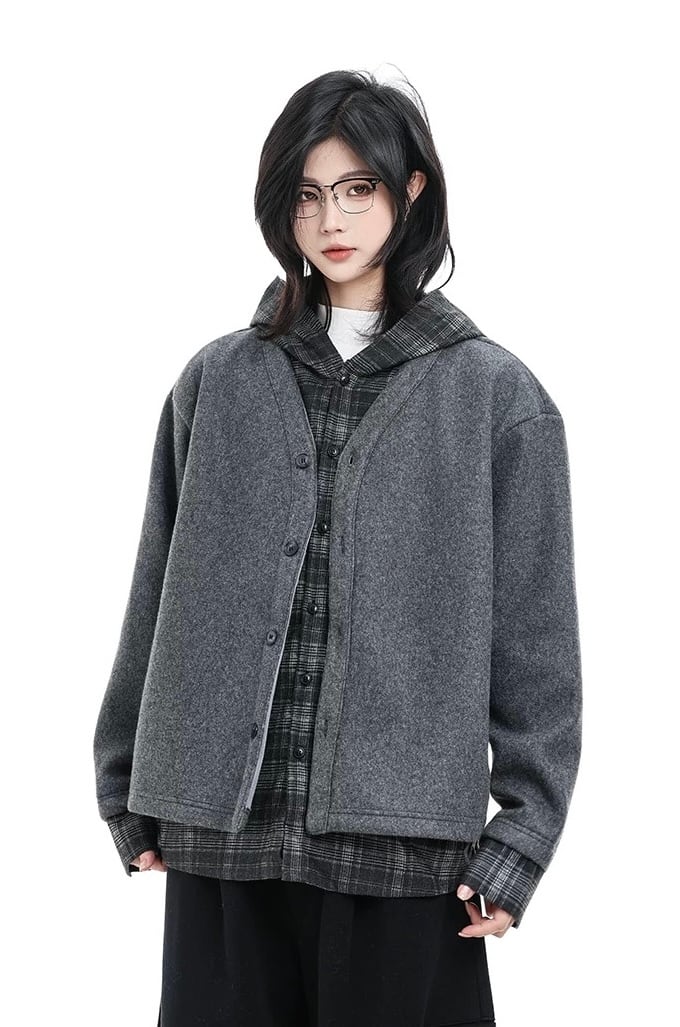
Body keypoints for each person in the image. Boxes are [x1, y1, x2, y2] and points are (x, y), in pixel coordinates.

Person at [93, 68, 582, 1027]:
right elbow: (159, 586)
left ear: (411, 191)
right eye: (307, 195)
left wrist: (521, 836)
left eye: (358, 188)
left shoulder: (496, 399)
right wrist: (127, 780)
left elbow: (537, 640)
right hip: (224, 838)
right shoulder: (218, 380)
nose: (331, 220)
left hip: (401, 853)